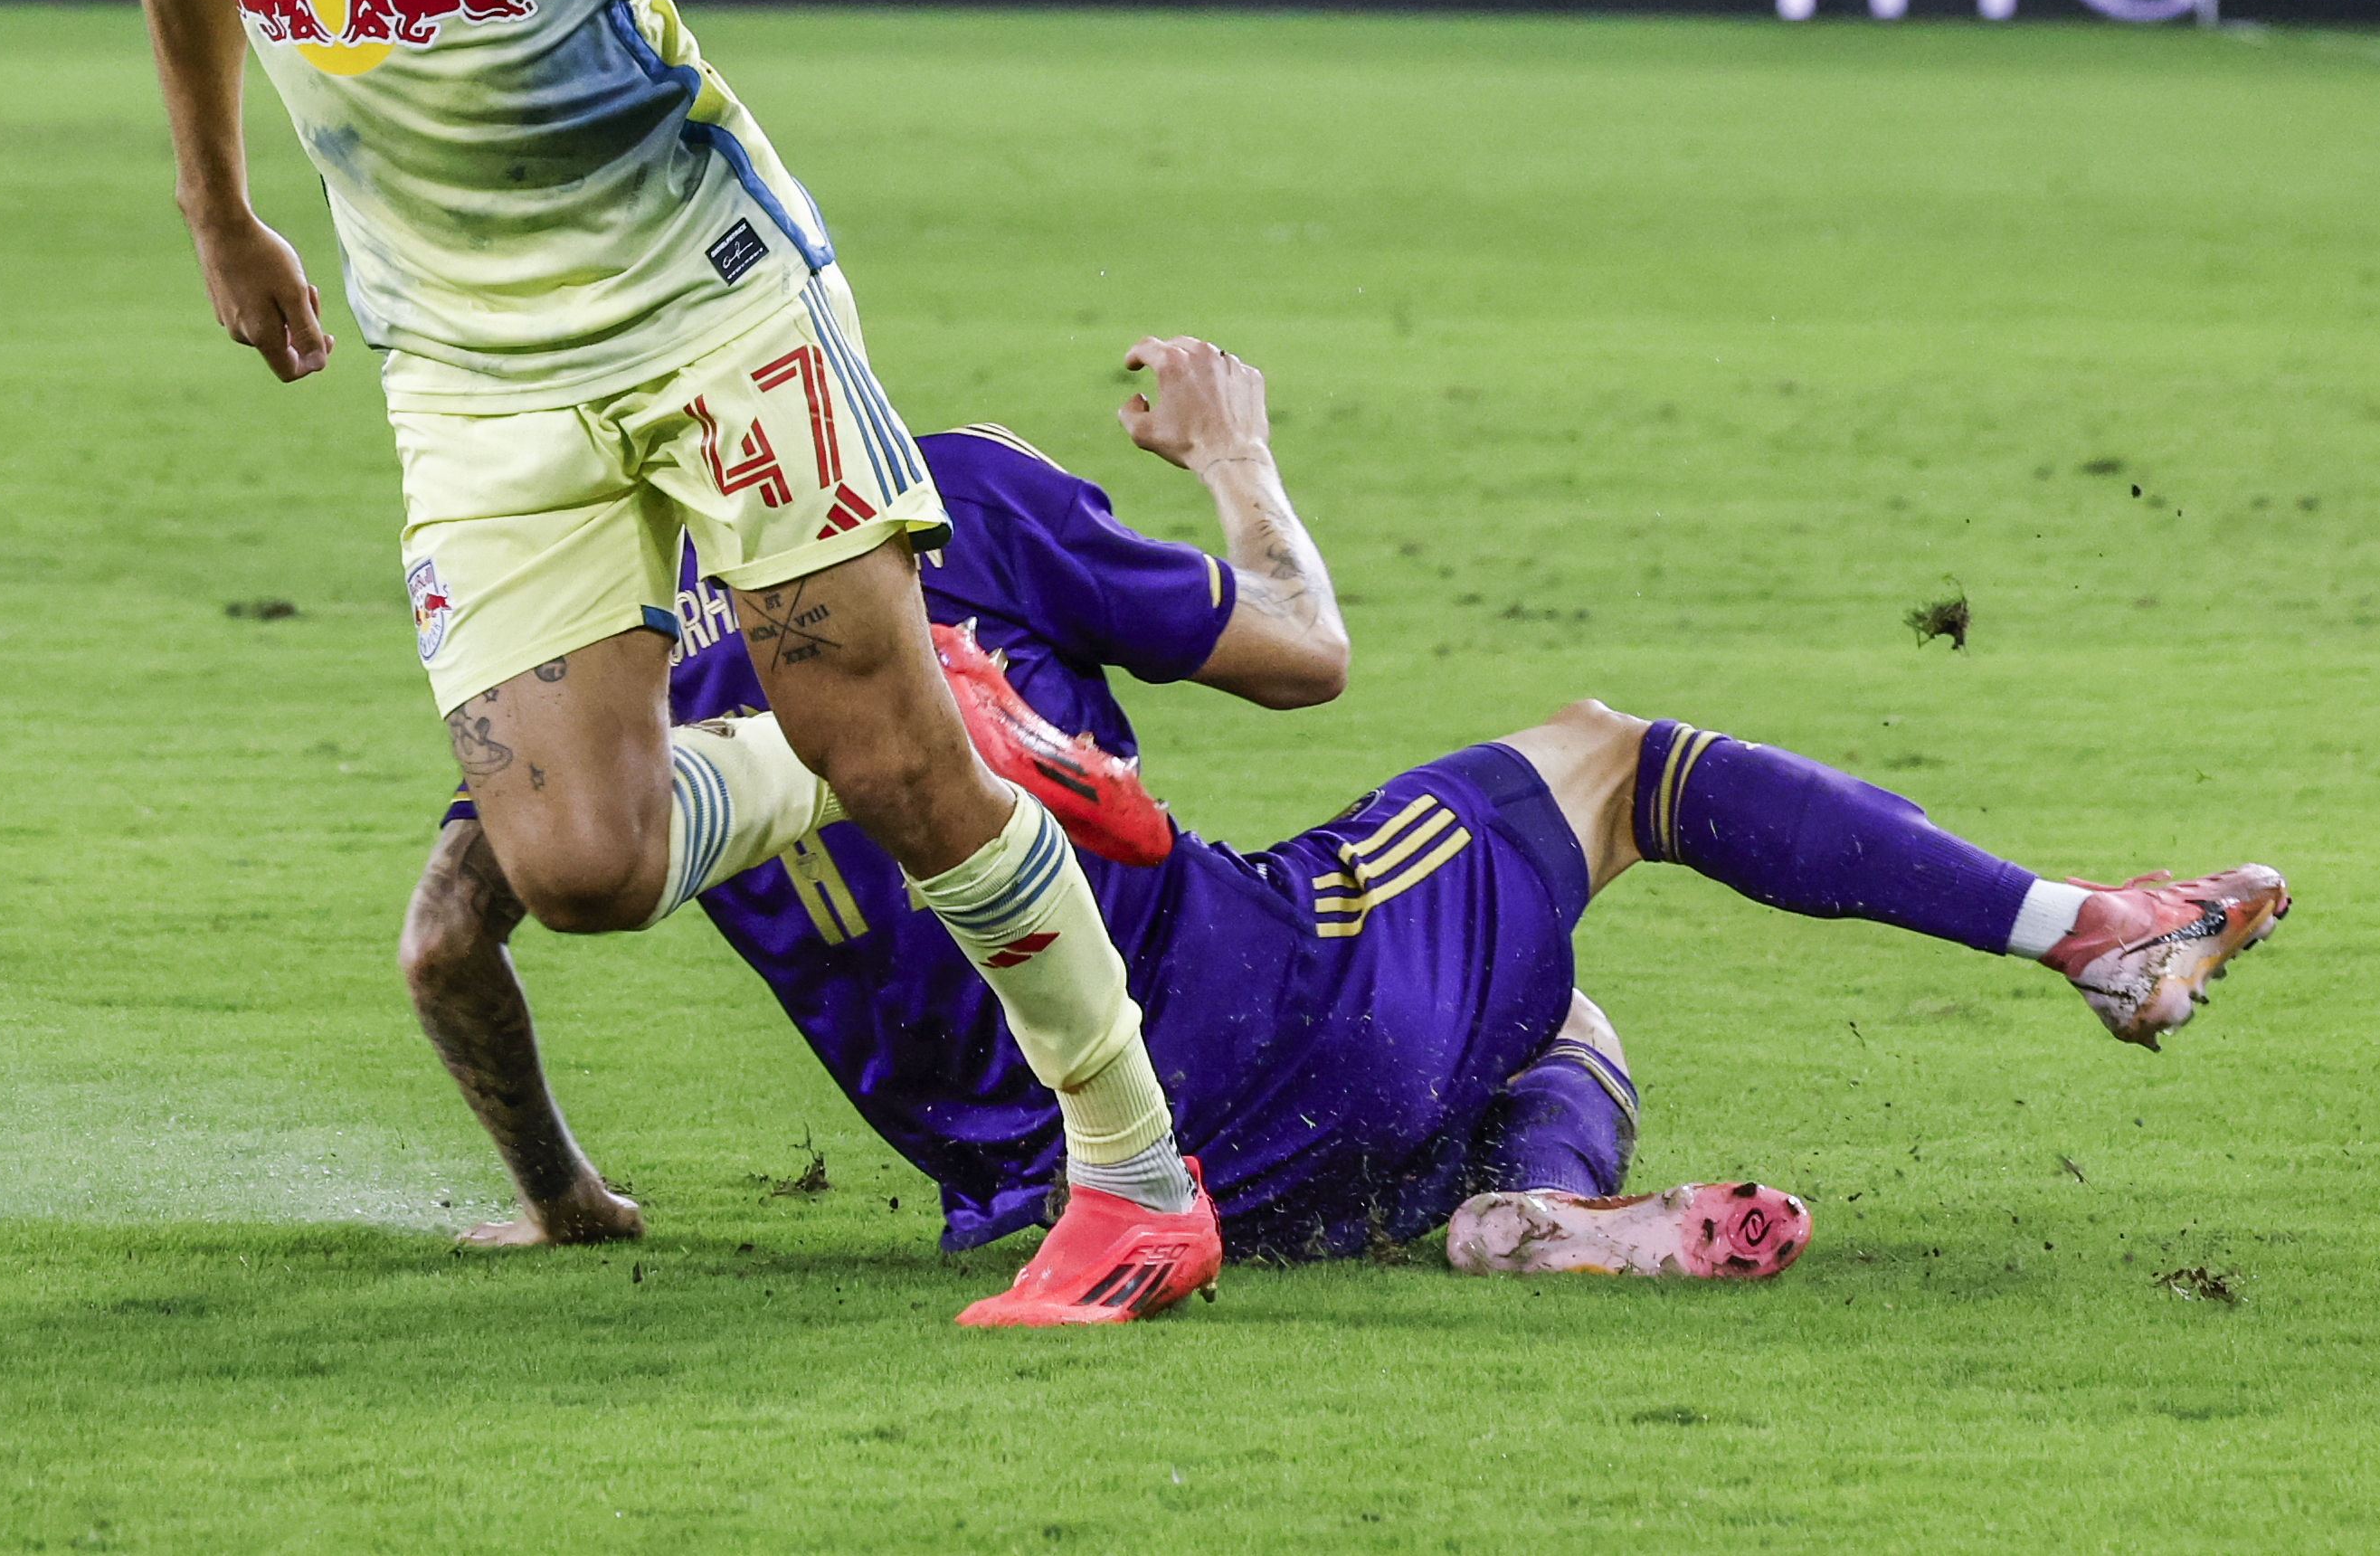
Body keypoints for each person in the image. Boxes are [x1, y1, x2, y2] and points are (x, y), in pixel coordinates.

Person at [83, 0, 1217, 1327]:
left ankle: (1135, 1173)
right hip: (460, 346)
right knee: (580, 863)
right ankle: (921, 705)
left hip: (700, 286)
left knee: (891, 761)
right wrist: (215, 207)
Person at [401, 342, 2288, 1269]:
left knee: (1531, 1004)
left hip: (1036, 1190)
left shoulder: (570, 690)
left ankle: (1516, 1219)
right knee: (1609, 761)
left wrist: (562, 1195)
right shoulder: (932, 497)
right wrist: (1235, 460)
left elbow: (441, 940)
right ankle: (2089, 933)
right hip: (1250, 1014)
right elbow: (1302, 649)